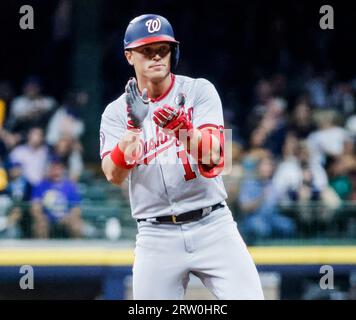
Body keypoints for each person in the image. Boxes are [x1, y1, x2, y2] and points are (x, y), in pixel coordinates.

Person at [100, 14, 263, 300]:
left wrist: (183, 130)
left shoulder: (199, 90)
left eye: (163, 49)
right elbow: (113, 174)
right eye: (147, 50)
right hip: (155, 234)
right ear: (129, 56)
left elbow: (216, 157)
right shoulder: (116, 112)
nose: (156, 57)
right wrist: (133, 128)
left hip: (212, 224)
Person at [30, 157, 83, 239]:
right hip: (47, 218)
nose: (56, 171)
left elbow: (76, 208)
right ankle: (42, 250)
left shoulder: (70, 186)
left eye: (59, 168)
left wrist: (68, 216)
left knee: (76, 224)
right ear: (49, 170)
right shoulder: (41, 186)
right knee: (40, 225)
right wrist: (41, 216)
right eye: (53, 168)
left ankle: (77, 250)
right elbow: (35, 206)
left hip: (66, 217)